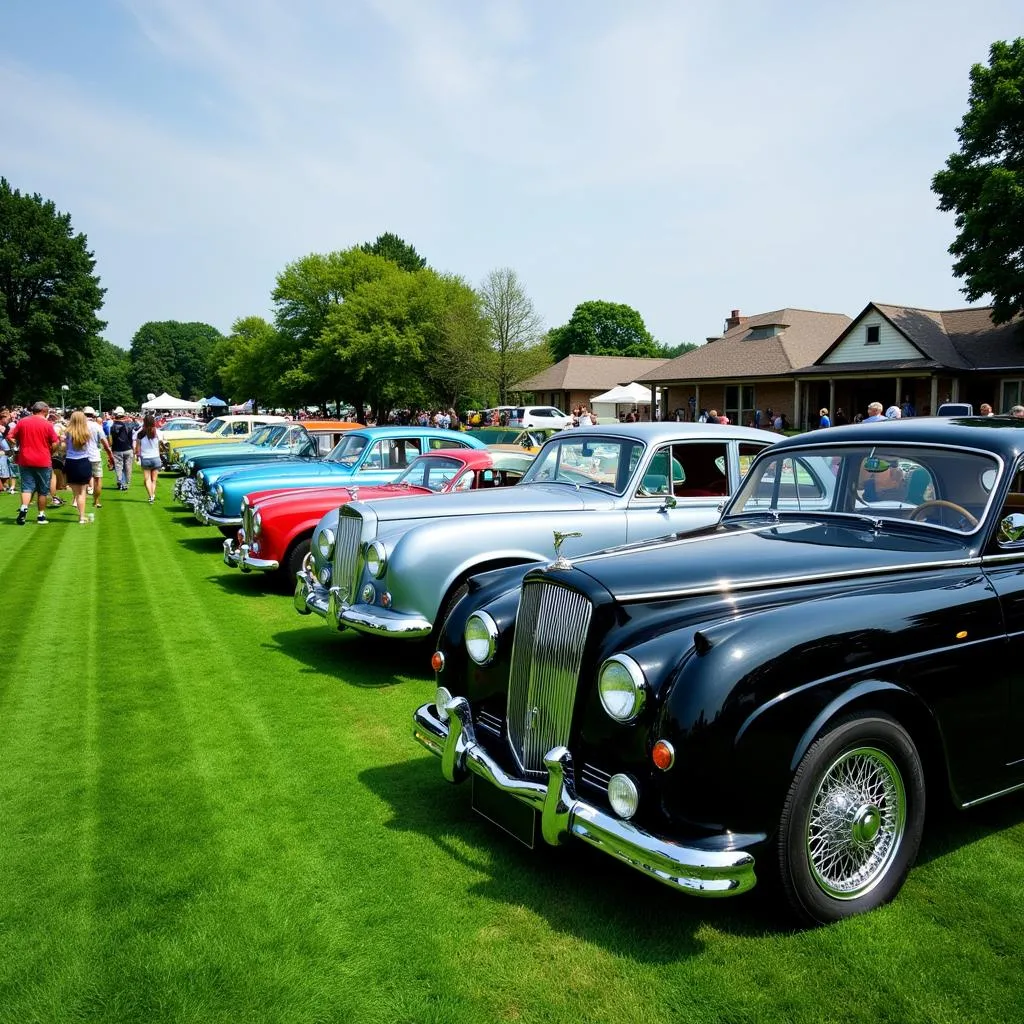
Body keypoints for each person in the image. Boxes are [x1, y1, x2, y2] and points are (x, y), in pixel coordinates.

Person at [9, 400, 58, 524]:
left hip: (25, 459)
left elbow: (10, 436)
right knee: (43, 490)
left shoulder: (22, 422)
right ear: (43, 411)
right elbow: (55, 442)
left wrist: (19, 444)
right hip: (43, 459)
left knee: (26, 487)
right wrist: (51, 451)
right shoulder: (47, 424)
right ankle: (41, 515)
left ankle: (23, 509)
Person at [63, 411, 94, 523]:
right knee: (82, 492)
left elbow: (66, 447)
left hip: (71, 462)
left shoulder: (67, 432)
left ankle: (80, 514)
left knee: (76, 492)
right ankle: (81, 516)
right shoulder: (86, 433)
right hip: (83, 462)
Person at [83, 406, 114, 508]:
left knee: (81, 481)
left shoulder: (79, 426)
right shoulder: (97, 426)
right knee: (98, 479)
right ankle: (96, 501)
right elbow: (105, 444)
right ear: (93, 415)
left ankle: (78, 501)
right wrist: (110, 456)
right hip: (95, 456)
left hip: (82, 456)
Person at [134, 413, 161, 503]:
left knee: (147, 479)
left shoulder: (140, 433)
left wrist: (137, 456)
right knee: (154, 480)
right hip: (156, 457)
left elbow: (137, 447)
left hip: (145, 458)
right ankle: (152, 495)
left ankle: (151, 496)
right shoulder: (157, 432)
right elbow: (160, 444)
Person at [109, 407, 136, 490]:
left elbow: (111, 438)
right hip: (128, 448)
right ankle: (126, 483)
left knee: (118, 466)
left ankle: (121, 481)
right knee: (128, 467)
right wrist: (133, 419)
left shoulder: (113, 426)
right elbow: (137, 425)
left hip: (117, 449)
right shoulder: (128, 425)